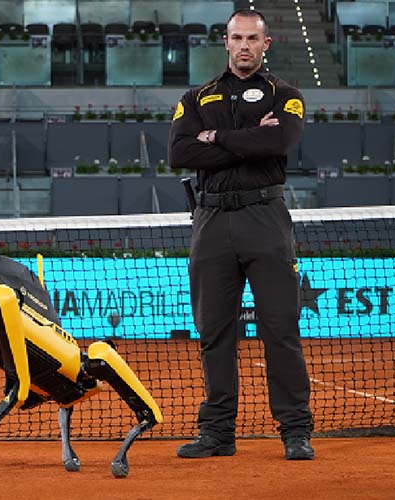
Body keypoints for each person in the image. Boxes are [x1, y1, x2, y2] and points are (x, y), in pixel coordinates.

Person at [168, 9, 315, 460]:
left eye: (253, 38)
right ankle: (217, 434)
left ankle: (295, 431)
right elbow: (179, 152)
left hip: (265, 218)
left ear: (266, 44)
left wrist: (215, 139)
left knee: (280, 330)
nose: (245, 45)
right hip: (211, 223)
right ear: (226, 42)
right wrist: (247, 136)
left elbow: (277, 144)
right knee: (214, 333)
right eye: (238, 37)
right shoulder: (196, 97)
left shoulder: (285, 95)